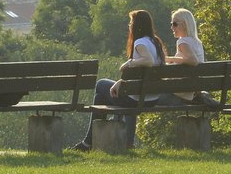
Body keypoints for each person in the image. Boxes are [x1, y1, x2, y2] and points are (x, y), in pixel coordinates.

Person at [71, 9, 166, 151]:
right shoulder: (156, 42)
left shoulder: (140, 43)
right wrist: (121, 82)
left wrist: (130, 63)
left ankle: (88, 142)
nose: (129, 26)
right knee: (99, 98)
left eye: (131, 23)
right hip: (152, 98)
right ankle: (122, 142)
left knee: (101, 84)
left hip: (136, 99)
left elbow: (149, 61)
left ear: (136, 25)